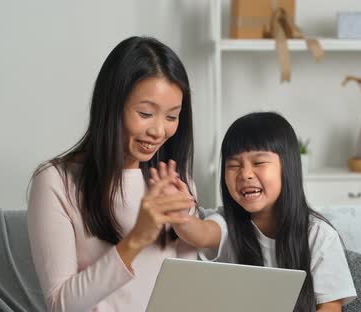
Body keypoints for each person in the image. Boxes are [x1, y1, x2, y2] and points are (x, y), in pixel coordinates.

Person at [27, 36, 222, 312]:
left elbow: (183, 295)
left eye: (171, 117)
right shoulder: (56, 180)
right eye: (145, 113)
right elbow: (61, 305)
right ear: (111, 105)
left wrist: (186, 223)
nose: (158, 131)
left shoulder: (176, 181)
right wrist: (138, 237)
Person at [195, 112, 356, 312]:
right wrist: (178, 216)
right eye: (233, 165)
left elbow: (330, 306)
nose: (245, 174)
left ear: (287, 167)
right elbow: (201, 234)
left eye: (259, 163)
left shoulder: (318, 235)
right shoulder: (224, 223)